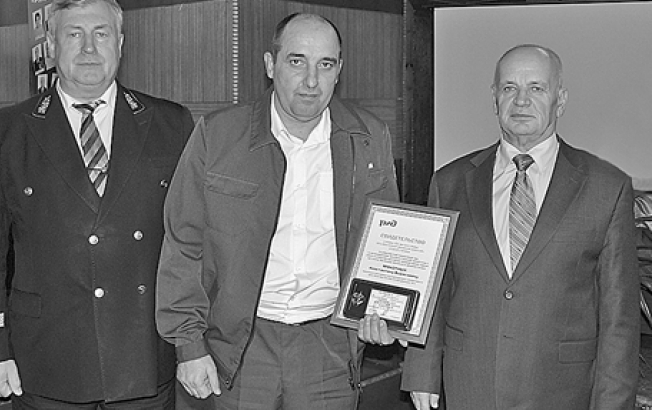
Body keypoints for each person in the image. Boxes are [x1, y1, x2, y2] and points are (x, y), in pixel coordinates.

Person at [360, 44, 639, 409]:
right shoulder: (450, 182)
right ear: (494, 99)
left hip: (563, 391)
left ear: (560, 99)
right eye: (509, 88)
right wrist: (422, 372)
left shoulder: (607, 187)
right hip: (469, 384)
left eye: (536, 88)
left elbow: (619, 319)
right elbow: (438, 290)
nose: (521, 100)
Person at [156, 12, 399, 410]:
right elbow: (183, 244)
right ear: (271, 65)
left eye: (325, 64)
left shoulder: (369, 137)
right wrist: (188, 345)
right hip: (240, 347)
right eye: (296, 61)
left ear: (339, 70)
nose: (311, 80)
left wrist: (386, 311)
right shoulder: (218, 136)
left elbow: (386, 242)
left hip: (329, 349)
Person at [0, 0, 194, 408]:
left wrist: (193, 344)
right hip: (48, 360)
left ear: (120, 43)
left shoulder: (171, 124)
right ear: (51, 45)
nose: (89, 48)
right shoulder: (5, 133)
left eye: (101, 34)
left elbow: (192, 243)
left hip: (143, 357)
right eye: (74, 34)